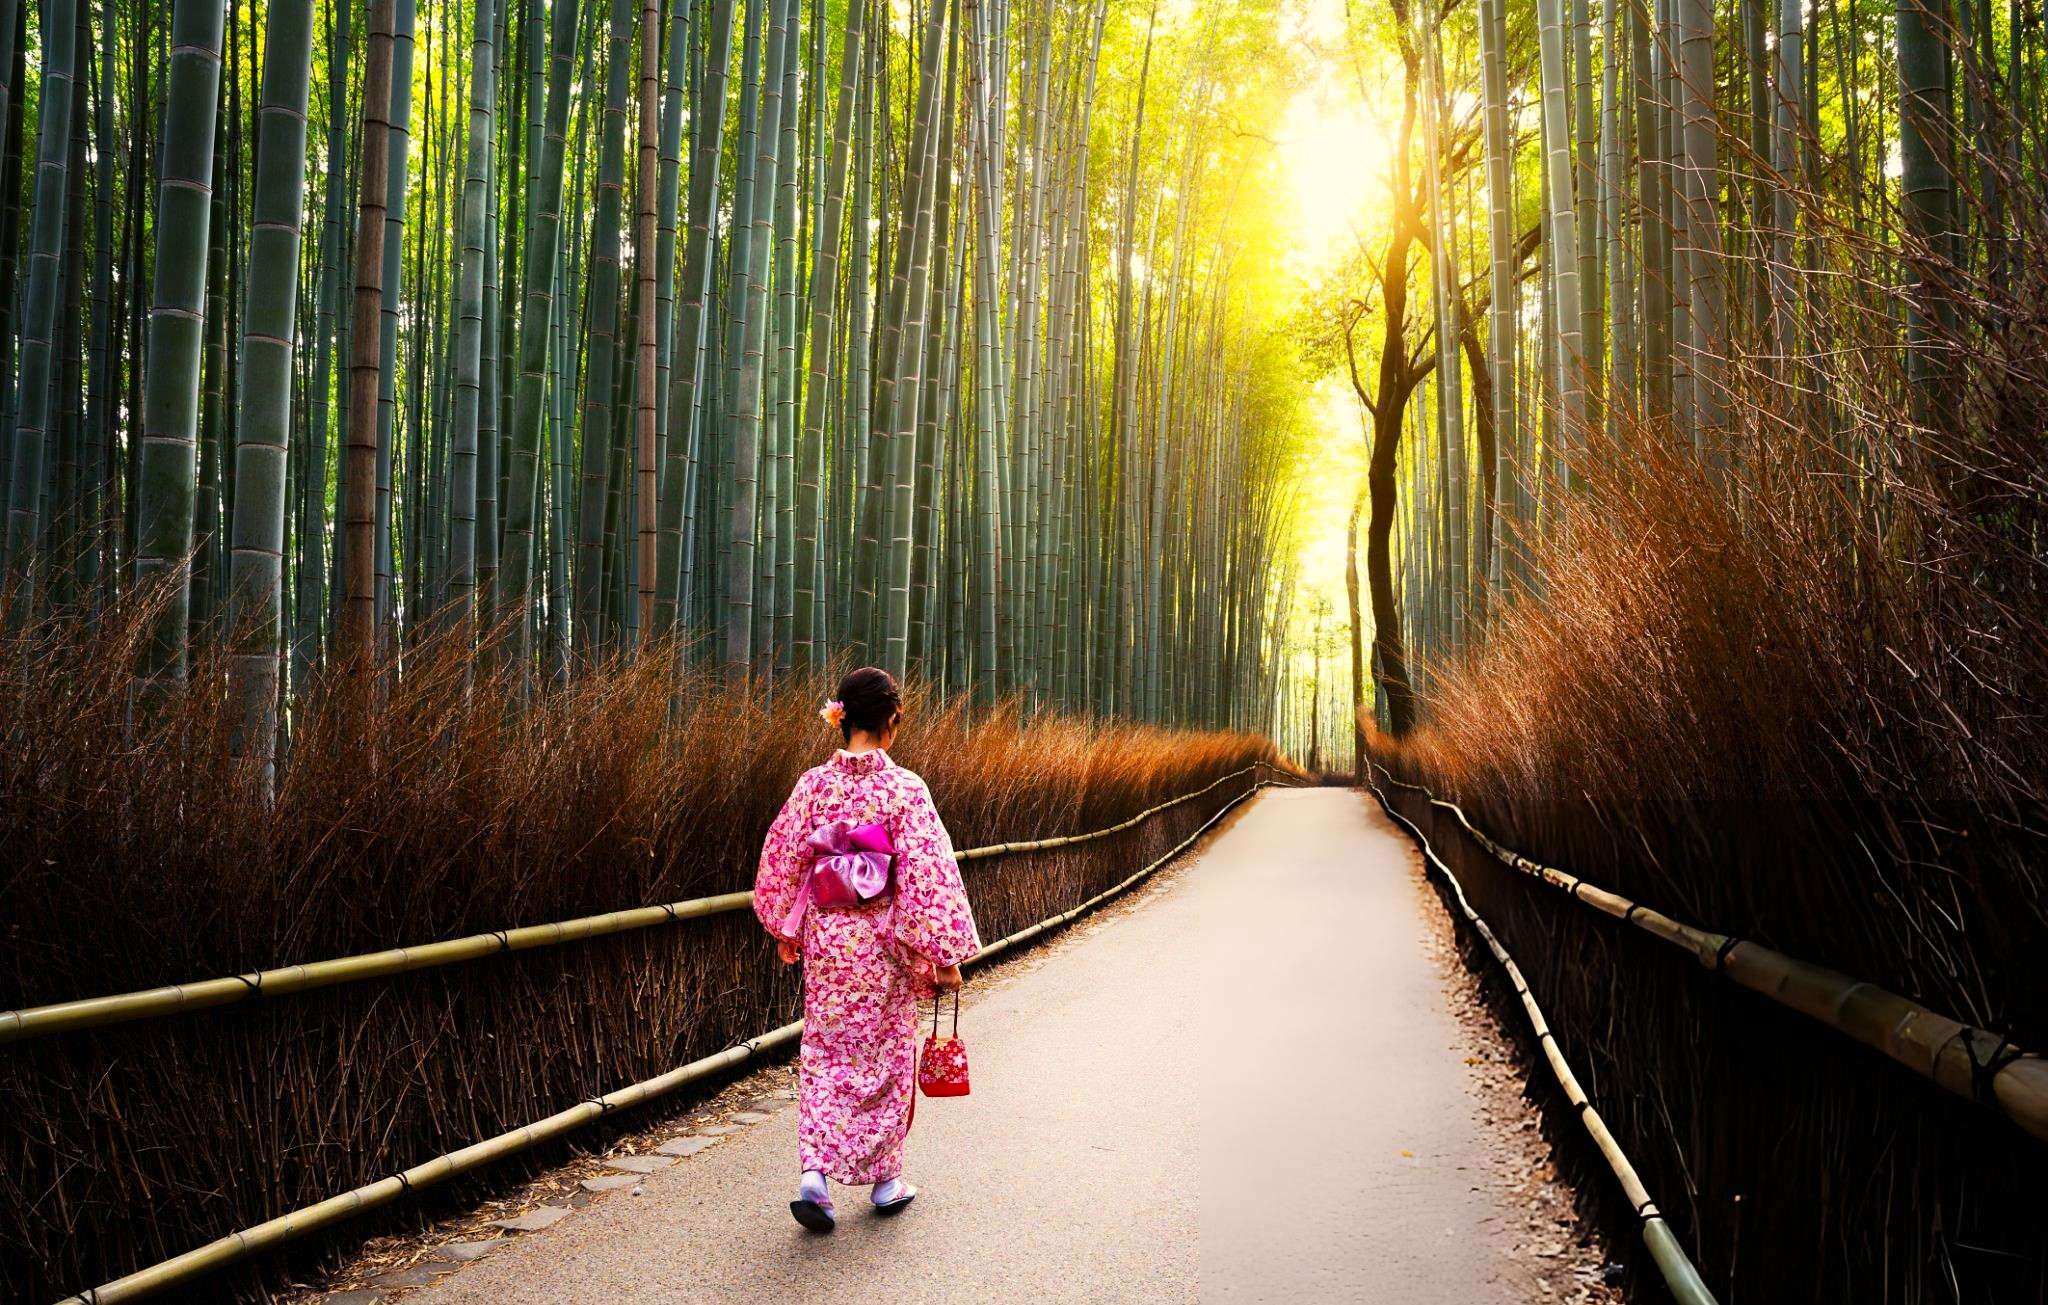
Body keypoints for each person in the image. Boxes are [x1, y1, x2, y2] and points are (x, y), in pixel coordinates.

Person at [752, 666, 982, 1232]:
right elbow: (927, 875)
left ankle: (814, 1176)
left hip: (830, 943)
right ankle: (885, 1182)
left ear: (843, 717)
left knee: (826, 1052)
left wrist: (788, 927)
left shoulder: (813, 785)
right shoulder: (904, 789)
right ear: (891, 722)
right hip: (882, 945)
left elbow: (783, 859)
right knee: (884, 1056)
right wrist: (943, 955)